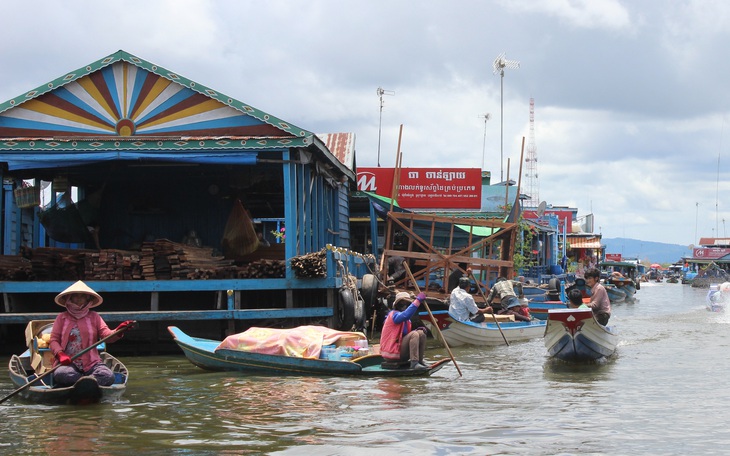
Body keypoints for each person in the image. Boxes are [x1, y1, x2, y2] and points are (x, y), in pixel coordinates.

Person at [49, 281, 134, 387]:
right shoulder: (62, 317)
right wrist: (61, 354)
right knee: (62, 374)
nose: (79, 299)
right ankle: (83, 382)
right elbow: (53, 340)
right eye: (76, 296)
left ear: (87, 299)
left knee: (107, 376)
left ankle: (87, 382)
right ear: (70, 298)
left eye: (82, 296)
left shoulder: (94, 317)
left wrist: (119, 330)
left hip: (92, 363)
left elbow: (106, 335)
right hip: (68, 363)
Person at [380, 291, 429, 370]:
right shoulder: (393, 315)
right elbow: (405, 315)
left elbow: (404, 337)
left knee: (421, 333)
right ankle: (414, 363)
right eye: (402, 304)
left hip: (400, 352)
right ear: (397, 305)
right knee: (414, 334)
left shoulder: (407, 321)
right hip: (391, 353)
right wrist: (418, 301)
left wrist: (417, 330)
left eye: (406, 304)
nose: (404, 306)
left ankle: (420, 361)